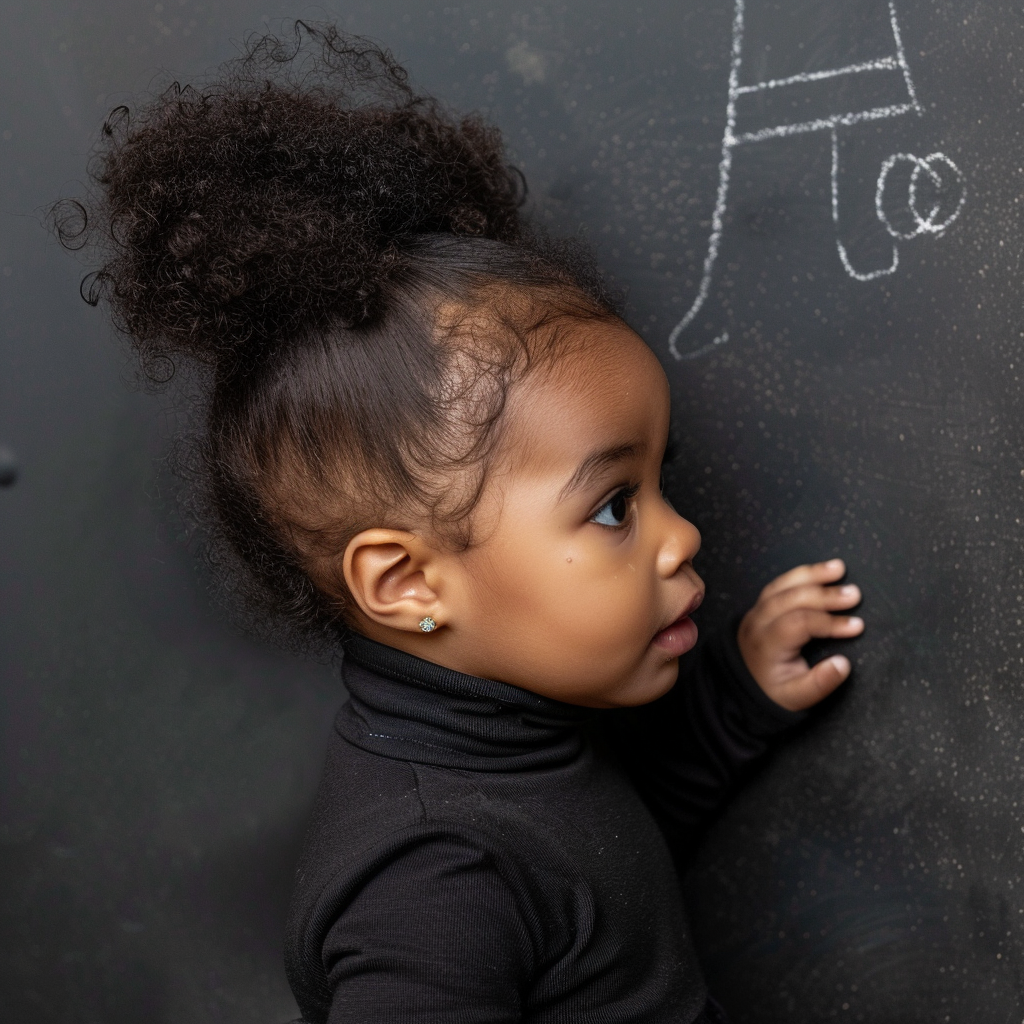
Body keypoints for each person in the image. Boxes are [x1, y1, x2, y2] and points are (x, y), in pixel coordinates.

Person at [56, 24, 865, 1024]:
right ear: (407, 583)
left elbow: (602, 874)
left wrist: (738, 700)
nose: (681, 535)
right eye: (615, 505)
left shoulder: (514, 759)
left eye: (662, 483)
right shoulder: (427, 881)